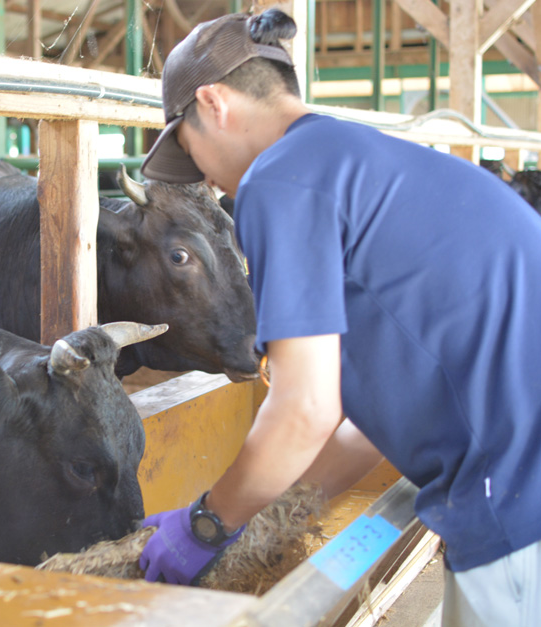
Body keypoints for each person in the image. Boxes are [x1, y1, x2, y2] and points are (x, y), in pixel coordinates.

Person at [137, 9, 541, 625]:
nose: (211, 187)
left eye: (193, 158)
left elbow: (304, 407)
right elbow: (362, 422)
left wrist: (208, 523)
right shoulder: (358, 162)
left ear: (213, 103)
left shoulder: (281, 181)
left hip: (517, 505)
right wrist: (276, 517)